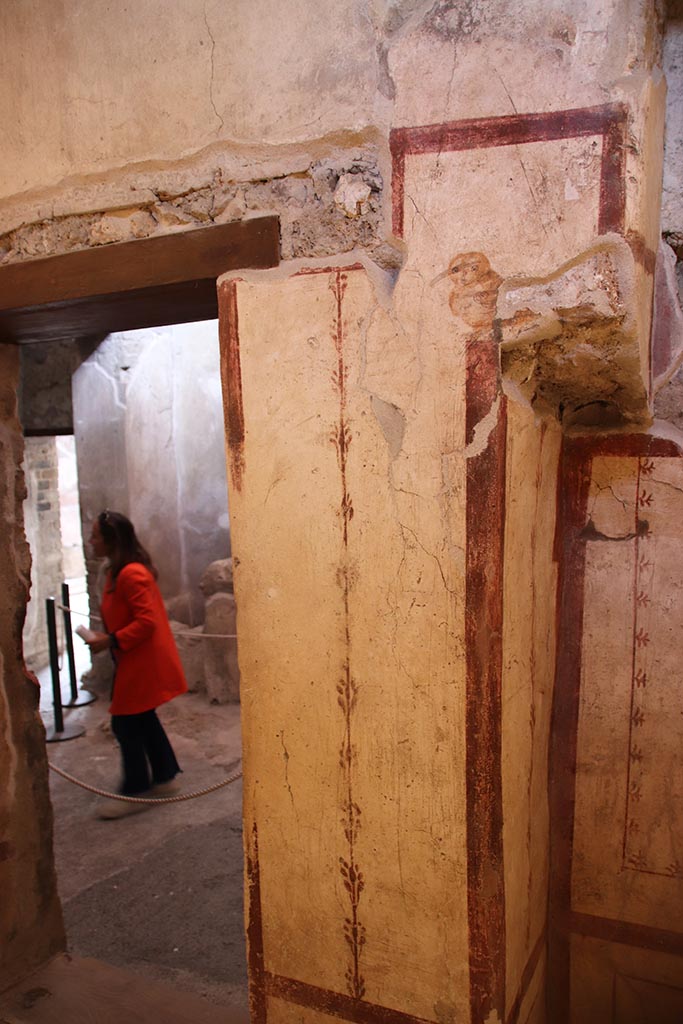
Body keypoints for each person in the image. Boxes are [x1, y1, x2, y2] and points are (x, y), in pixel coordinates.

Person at [85, 510, 188, 820]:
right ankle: (165, 778)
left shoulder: (131, 573)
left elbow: (147, 622)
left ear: (111, 540)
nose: (91, 541)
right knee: (142, 719)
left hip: (143, 660)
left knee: (126, 723)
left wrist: (111, 640)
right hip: (132, 657)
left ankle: (135, 790)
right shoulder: (116, 571)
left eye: (96, 536)